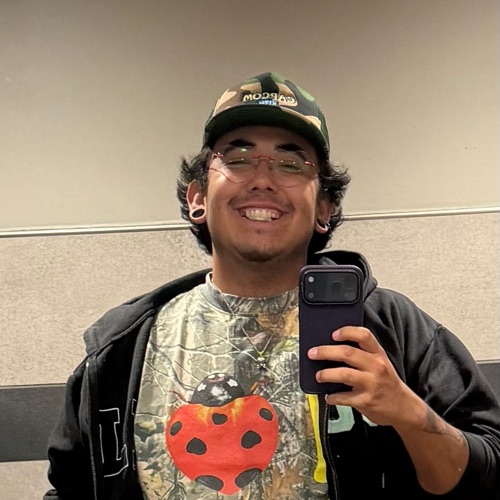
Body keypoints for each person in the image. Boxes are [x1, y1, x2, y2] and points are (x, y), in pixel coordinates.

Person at [45, 72, 500, 500]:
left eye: (291, 163)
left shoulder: (393, 330)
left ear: (324, 208)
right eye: (237, 160)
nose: (262, 180)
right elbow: (70, 489)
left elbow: (489, 468)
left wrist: (407, 412)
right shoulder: (122, 347)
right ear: (197, 197)